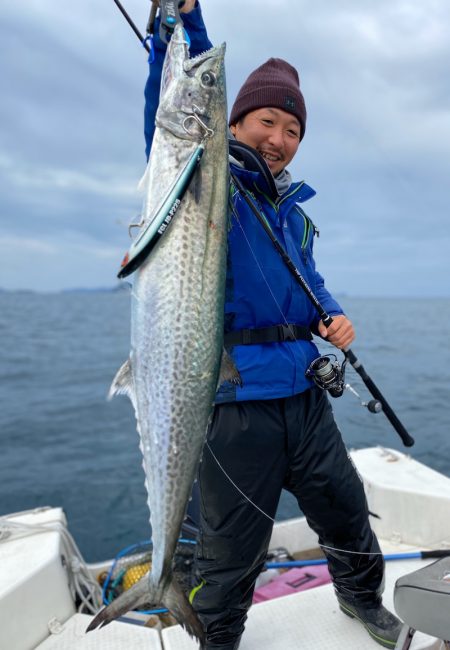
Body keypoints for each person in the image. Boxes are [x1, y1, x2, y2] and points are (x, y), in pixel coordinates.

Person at [144, 2, 403, 648]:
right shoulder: (209, 184)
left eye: (293, 128)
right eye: (268, 120)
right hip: (234, 406)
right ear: (234, 121)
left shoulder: (295, 211)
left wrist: (333, 316)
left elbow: (307, 283)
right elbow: (174, 109)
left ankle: (362, 601)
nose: (280, 138)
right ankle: (219, 637)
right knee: (229, 555)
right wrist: (182, 29)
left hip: (305, 399)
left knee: (347, 516)